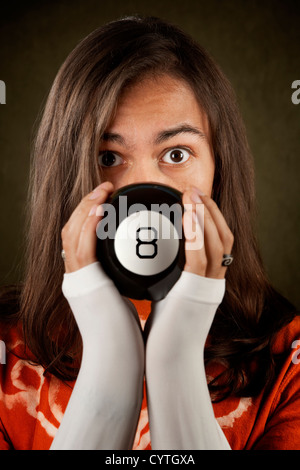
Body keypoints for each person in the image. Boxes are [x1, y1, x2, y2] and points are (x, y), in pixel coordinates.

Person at [0, 16, 299, 450]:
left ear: (219, 169)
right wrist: (111, 351)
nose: (142, 193)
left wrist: (177, 346)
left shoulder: (287, 361)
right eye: (108, 156)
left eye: (176, 153)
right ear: (64, 172)